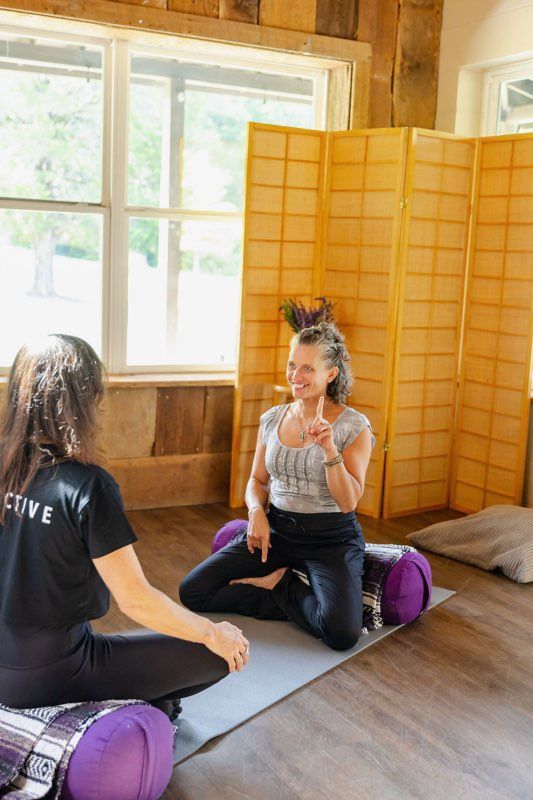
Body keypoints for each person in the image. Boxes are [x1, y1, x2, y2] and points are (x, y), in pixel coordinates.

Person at [0, 334, 249, 716]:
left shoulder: (5, 467)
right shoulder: (89, 486)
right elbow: (135, 599)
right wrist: (213, 633)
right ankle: (132, 700)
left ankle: (144, 697)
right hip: (56, 670)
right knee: (218, 654)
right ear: (81, 405)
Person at [180, 322, 375, 651]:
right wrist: (256, 511)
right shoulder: (272, 419)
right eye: (292, 364)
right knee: (193, 592)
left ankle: (281, 583)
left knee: (342, 634)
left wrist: (329, 451)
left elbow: (347, 503)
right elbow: (257, 481)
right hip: (277, 533)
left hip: (331, 540)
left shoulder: (353, 427)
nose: (296, 375)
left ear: (331, 374)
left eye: (308, 368)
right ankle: (287, 595)